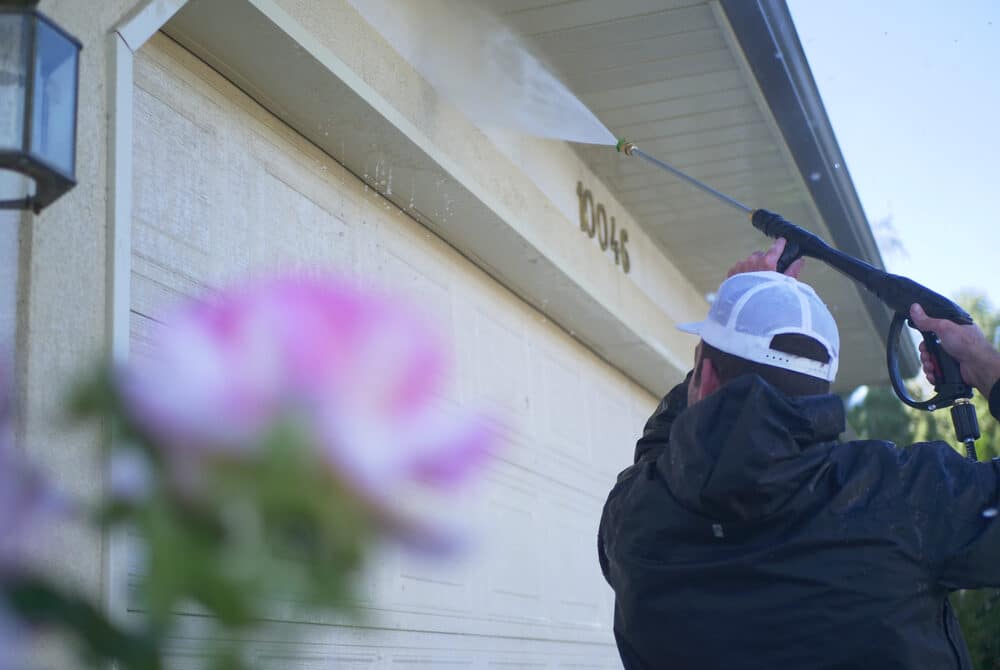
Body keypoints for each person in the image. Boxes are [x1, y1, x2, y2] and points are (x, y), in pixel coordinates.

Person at [598, 239, 1000, 669]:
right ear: (821, 387)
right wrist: (988, 368)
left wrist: (733, 312)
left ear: (706, 376)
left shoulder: (634, 520)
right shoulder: (902, 498)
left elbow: (658, 451)